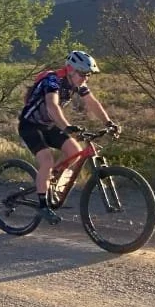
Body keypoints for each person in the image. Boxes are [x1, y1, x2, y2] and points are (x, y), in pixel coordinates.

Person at [18, 50, 120, 224]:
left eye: (88, 75)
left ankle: (53, 182)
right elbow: (52, 105)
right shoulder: (51, 80)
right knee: (47, 161)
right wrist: (66, 127)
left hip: (50, 125)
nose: (85, 78)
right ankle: (43, 205)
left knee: (75, 151)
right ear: (70, 70)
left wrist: (109, 123)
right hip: (30, 126)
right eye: (82, 74)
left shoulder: (77, 84)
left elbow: (92, 103)